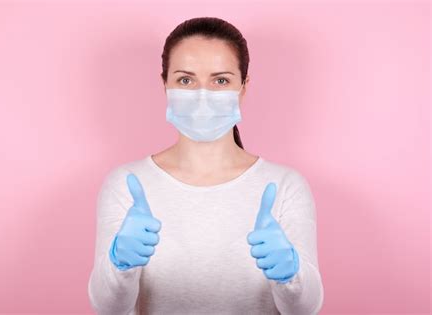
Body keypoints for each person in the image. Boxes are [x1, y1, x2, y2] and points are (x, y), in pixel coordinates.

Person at [88, 17, 324, 315]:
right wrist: (120, 264)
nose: (202, 96)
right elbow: (108, 309)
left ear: (243, 87)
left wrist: (291, 276)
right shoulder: (127, 184)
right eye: (185, 80)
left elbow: (306, 309)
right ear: (165, 85)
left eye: (220, 80)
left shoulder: (285, 186)